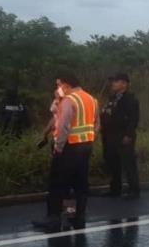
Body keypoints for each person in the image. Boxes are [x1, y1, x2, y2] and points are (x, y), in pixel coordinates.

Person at [32, 71, 99, 232]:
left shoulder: (69, 100)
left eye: (58, 84)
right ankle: (78, 217)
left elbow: (63, 127)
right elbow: (97, 124)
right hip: (85, 147)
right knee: (80, 184)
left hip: (69, 148)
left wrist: (58, 147)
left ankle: (53, 219)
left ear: (66, 85)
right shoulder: (91, 99)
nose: (58, 87)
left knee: (57, 183)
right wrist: (88, 140)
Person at [100, 73, 140, 198]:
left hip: (123, 135)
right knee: (113, 163)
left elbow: (134, 118)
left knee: (128, 163)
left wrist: (128, 134)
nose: (113, 84)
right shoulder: (112, 98)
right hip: (110, 135)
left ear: (124, 84)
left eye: (116, 81)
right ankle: (115, 188)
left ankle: (134, 189)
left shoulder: (129, 99)